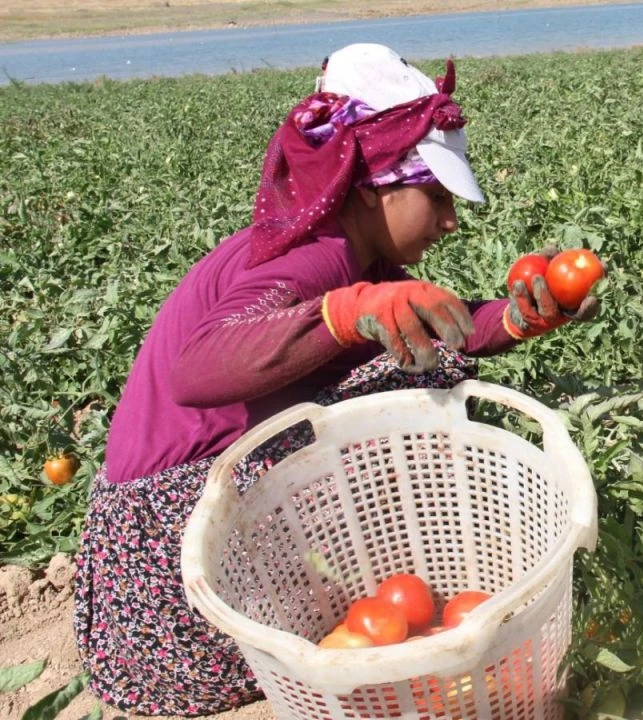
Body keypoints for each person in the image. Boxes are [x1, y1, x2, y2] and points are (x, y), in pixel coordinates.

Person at [71, 42, 601, 716]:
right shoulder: (315, 260)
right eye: (436, 196)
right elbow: (194, 369)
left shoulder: (352, 255)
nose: (449, 221)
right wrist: (346, 312)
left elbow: (439, 322)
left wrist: (522, 318)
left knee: (411, 354)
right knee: (406, 384)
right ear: (371, 188)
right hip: (167, 543)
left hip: (183, 509)